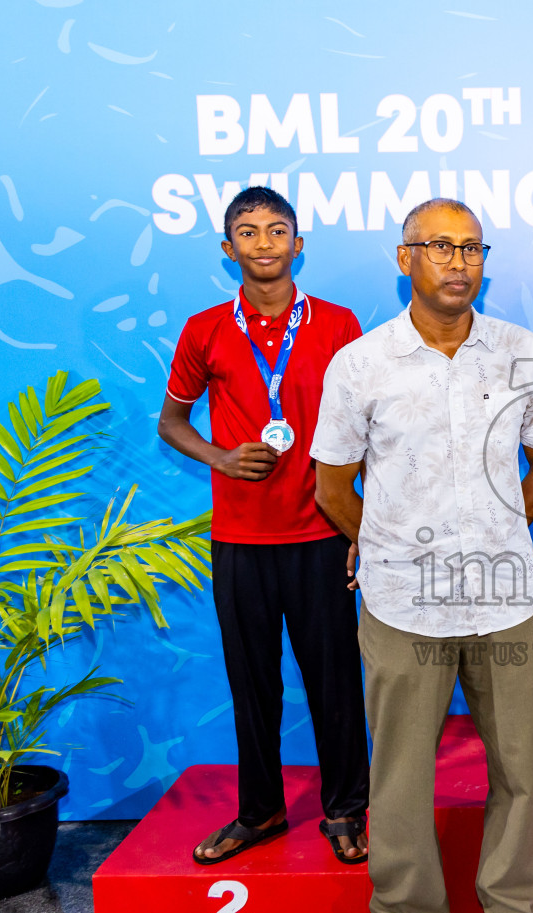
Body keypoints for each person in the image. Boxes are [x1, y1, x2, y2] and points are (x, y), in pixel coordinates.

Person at [311, 198, 533, 913]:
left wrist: (500, 529)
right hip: (400, 605)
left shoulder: (520, 352)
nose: (457, 262)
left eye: (471, 248)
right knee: (396, 778)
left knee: (519, 772)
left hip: (504, 600)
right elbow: (329, 487)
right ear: (405, 259)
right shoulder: (361, 363)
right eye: (438, 247)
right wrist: (385, 544)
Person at [158, 186, 370, 868]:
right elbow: (171, 422)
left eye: (277, 230)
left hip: (321, 534)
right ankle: (261, 811)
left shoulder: (339, 325)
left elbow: (372, 427)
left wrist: (362, 526)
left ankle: (346, 809)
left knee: (335, 681)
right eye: (248, 233)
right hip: (241, 540)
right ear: (228, 250)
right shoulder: (204, 330)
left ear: (298, 243)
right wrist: (220, 455)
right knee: (253, 687)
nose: (264, 243)